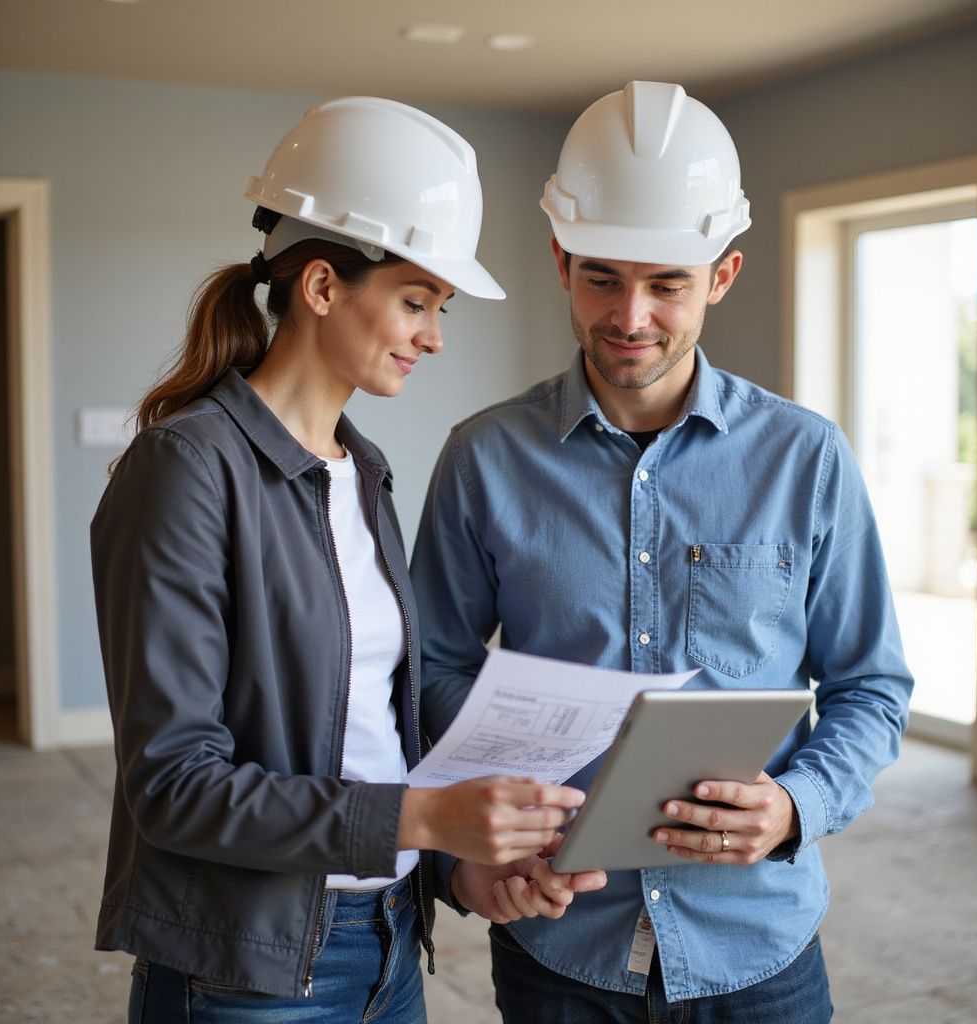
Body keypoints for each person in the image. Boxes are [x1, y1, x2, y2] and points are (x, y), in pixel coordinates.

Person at [411, 81, 914, 1023]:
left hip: (756, 948)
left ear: (721, 277)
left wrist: (796, 806)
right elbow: (428, 667)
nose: (630, 315)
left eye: (667, 284)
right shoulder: (483, 458)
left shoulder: (807, 458)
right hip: (558, 939)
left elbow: (871, 686)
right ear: (561, 259)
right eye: (601, 275)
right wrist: (488, 811)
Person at [90, 96, 600, 1024]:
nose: (435, 335)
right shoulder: (187, 470)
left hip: (388, 942)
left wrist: (453, 863)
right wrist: (425, 818)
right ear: (322, 286)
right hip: (248, 971)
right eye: (415, 301)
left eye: (438, 307)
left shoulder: (361, 471)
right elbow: (171, 785)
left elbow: (367, 735)